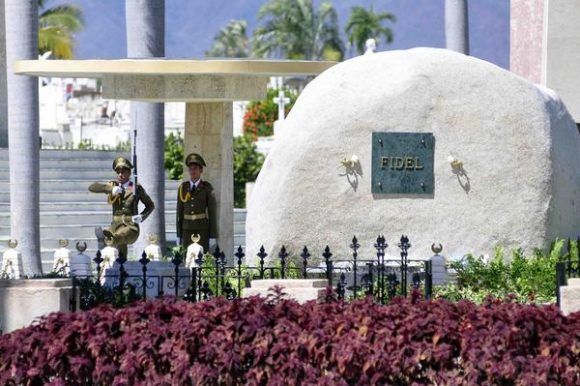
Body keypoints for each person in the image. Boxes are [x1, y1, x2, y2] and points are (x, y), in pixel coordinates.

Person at [88, 157, 155, 258]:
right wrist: (111, 189)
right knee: (120, 254)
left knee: (119, 236)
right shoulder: (113, 185)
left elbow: (150, 205)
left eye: (123, 172)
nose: (120, 174)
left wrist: (142, 216)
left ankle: (106, 240)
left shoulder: (136, 188)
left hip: (130, 226)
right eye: (118, 172)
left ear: (129, 173)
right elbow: (92, 187)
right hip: (115, 225)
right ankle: (121, 268)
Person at [177, 153, 217, 252]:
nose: (192, 171)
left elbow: (212, 212)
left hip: (202, 229)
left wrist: (212, 235)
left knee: (201, 258)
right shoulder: (183, 188)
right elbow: (179, 213)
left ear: (201, 170)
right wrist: (179, 234)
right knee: (187, 258)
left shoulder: (207, 188)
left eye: (195, 168)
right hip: (186, 229)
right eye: (190, 169)